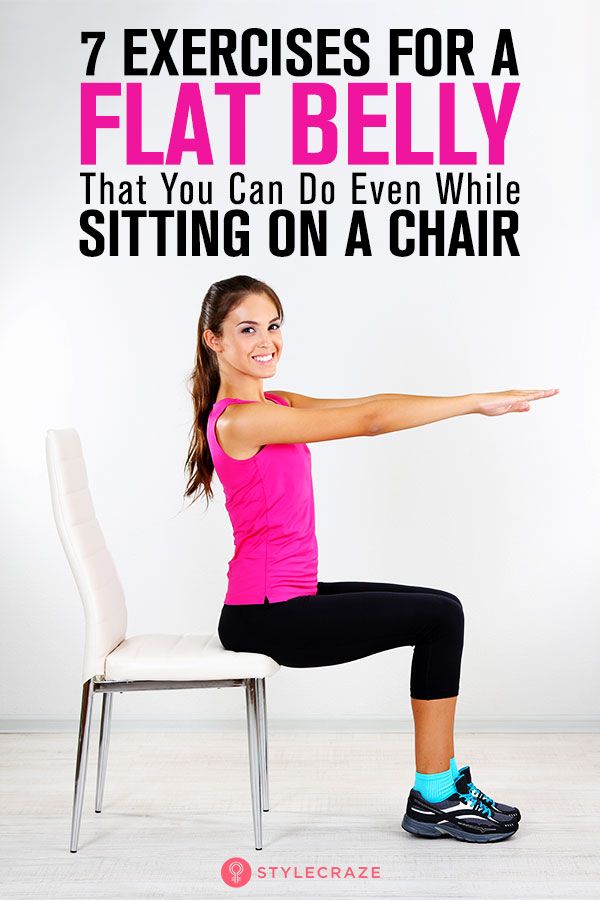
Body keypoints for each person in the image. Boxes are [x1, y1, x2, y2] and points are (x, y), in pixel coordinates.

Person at [184, 274, 559, 843]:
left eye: (275, 325)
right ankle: (435, 794)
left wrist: (469, 401)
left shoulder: (276, 404)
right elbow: (371, 422)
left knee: (441, 609)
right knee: (441, 618)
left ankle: (442, 786)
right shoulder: (240, 420)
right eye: (248, 329)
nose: (267, 340)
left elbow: (367, 405)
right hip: (265, 616)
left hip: (289, 596)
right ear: (215, 341)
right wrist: (474, 404)